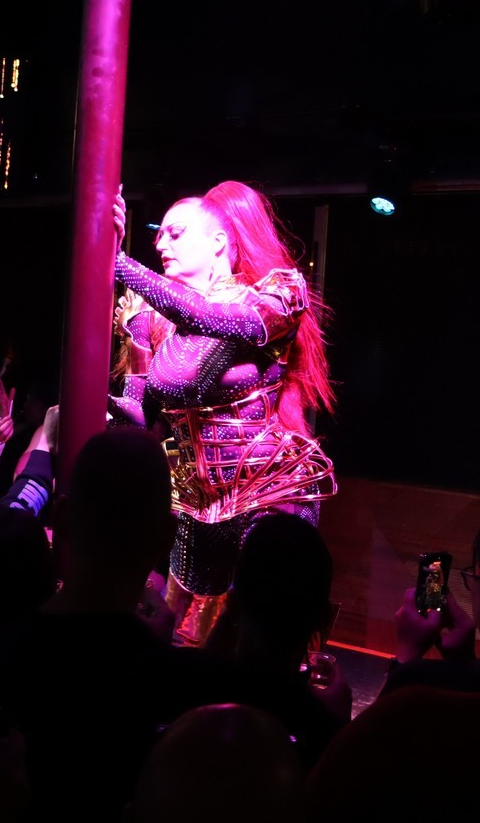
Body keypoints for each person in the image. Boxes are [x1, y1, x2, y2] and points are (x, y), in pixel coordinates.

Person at [108, 181, 336, 645]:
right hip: (200, 502)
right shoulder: (152, 318)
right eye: (158, 234)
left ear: (217, 242)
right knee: (185, 640)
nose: (161, 243)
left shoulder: (274, 294)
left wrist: (121, 265)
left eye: (176, 233)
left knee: (263, 633)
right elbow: (142, 415)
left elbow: (212, 317)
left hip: (268, 490)